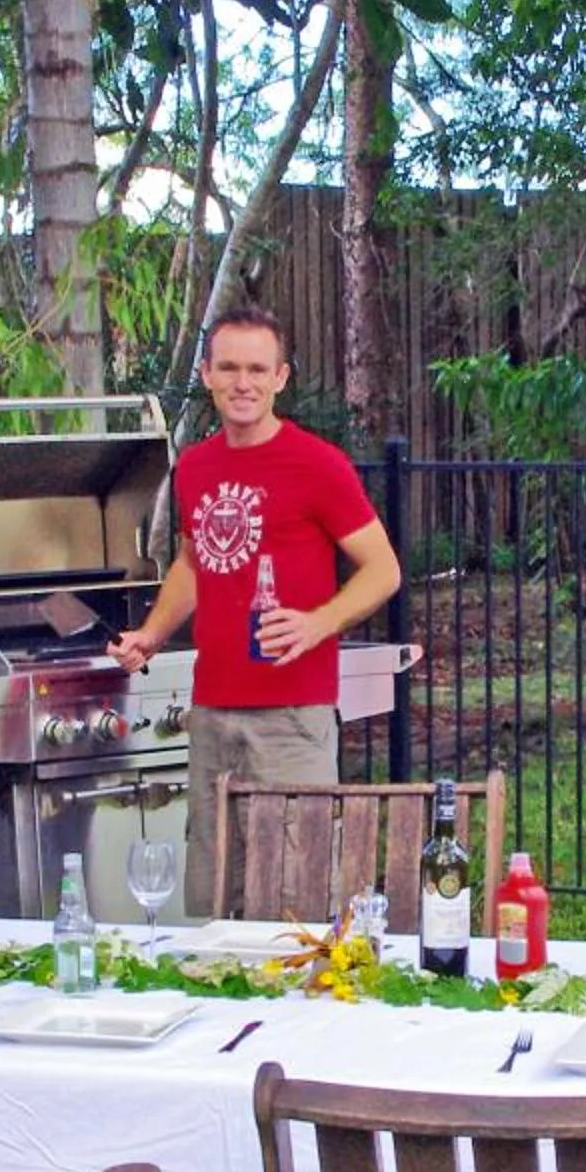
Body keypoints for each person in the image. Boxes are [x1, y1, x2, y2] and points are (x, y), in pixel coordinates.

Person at [108, 305, 404, 915]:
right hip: (212, 714)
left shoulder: (318, 464)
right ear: (207, 375)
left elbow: (384, 570)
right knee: (214, 894)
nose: (242, 383)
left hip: (293, 716)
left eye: (257, 370)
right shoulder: (195, 466)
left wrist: (318, 622)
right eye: (229, 368)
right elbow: (195, 563)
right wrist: (151, 634)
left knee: (294, 897)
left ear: (280, 378)